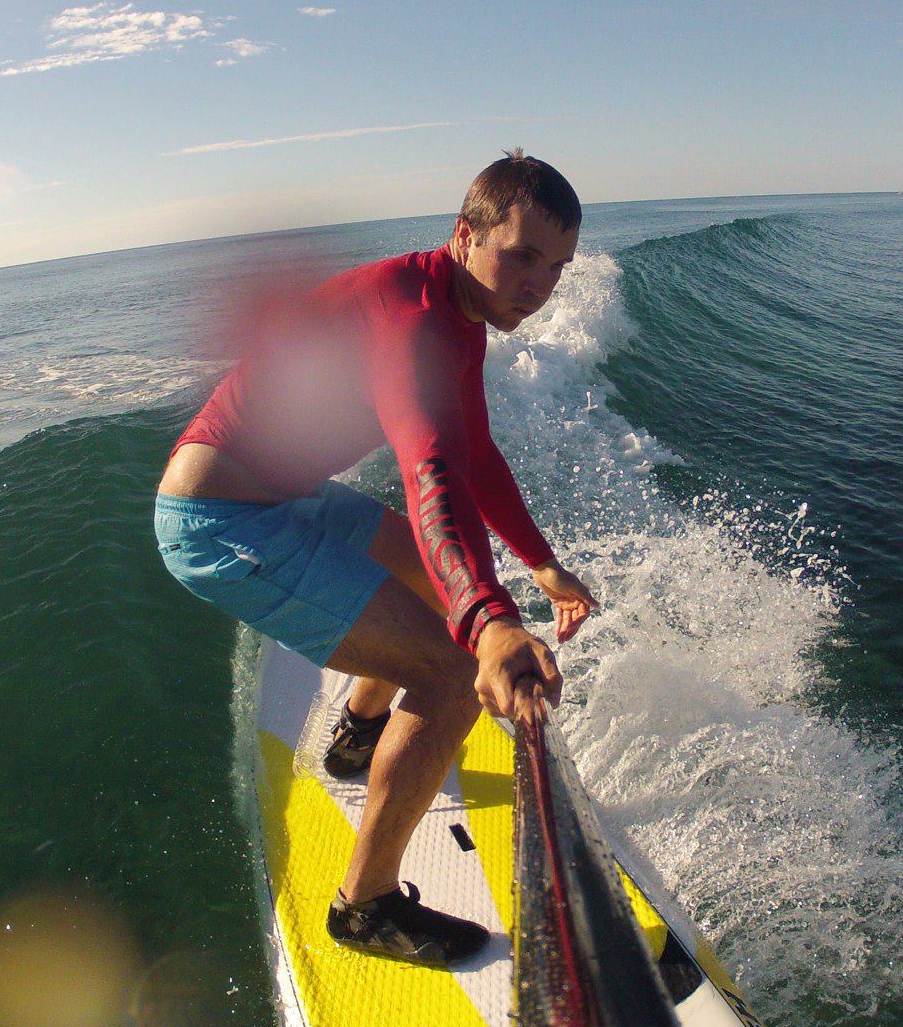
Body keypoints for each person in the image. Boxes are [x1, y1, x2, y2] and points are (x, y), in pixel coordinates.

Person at [155, 150, 598, 966]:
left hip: (283, 495)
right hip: (219, 522)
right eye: (522, 255)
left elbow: (475, 458)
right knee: (447, 668)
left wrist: (537, 566)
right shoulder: (416, 321)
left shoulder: (455, 310)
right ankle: (364, 907)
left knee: (432, 583)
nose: (539, 284)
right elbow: (431, 472)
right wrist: (490, 624)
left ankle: (360, 735)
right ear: (463, 236)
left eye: (558, 267)